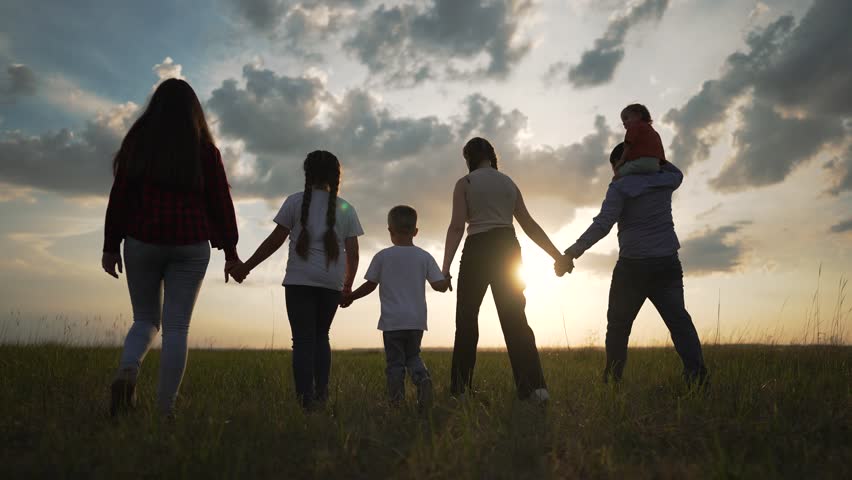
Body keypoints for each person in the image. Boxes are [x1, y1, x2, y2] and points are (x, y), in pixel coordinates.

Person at [102, 78, 239, 418]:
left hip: (142, 240)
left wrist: (110, 246)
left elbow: (119, 198)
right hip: (190, 244)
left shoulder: (137, 145)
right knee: (177, 327)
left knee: (145, 319)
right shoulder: (205, 151)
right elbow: (220, 201)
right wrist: (230, 250)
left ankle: (129, 369)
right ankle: (165, 411)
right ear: (195, 111)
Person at [556, 143, 708, 385]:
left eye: (614, 166)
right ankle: (697, 377)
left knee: (618, 325)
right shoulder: (666, 179)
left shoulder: (620, 186)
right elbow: (676, 171)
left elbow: (603, 224)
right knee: (679, 322)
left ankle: (613, 380)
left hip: (633, 267)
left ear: (622, 163)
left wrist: (572, 252)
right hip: (666, 263)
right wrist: (654, 154)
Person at [227, 151, 363, 410]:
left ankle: (305, 402)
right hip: (330, 283)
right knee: (322, 337)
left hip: (299, 282)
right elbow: (353, 254)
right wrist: (347, 286)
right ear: (336, 176)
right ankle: (321, 398)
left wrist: (246, 267)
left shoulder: (295, 202)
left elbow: (274, 242)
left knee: (302, 340)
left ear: (307, 174)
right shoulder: (346, 208)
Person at [441, 137, 567, 403]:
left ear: (468, 158)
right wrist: (557, 256)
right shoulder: (508, 183)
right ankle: (535, 389)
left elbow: (456, 227)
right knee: (516, 320)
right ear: (492, 156)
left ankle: (461, 391)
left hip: (477, 247)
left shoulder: (465, 183)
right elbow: (529, 225)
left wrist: (445, 268)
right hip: (507, 247)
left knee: (466, 321)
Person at [341, 205, 450, 409]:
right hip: (416, 322)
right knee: (413, 356)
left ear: (390, 230)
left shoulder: (383, 257)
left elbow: (370, 285)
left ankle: (396, 402)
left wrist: (351, 296)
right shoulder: (424, 256)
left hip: (392, 323)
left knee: (395, 364)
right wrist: (446, 279)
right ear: (415, 231)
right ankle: (422, 379)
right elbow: (439, 287)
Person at [615, 103, 666, 178]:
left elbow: (627, 145)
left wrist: (621, 161)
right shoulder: (654, 133)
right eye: (623, 121)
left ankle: (615, 187)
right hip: (656, 165)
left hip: (642, 162)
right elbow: (661, 151)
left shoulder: (634, 126)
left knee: (619, 174)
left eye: (626, 118)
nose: (624, 123)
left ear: (638, 115)